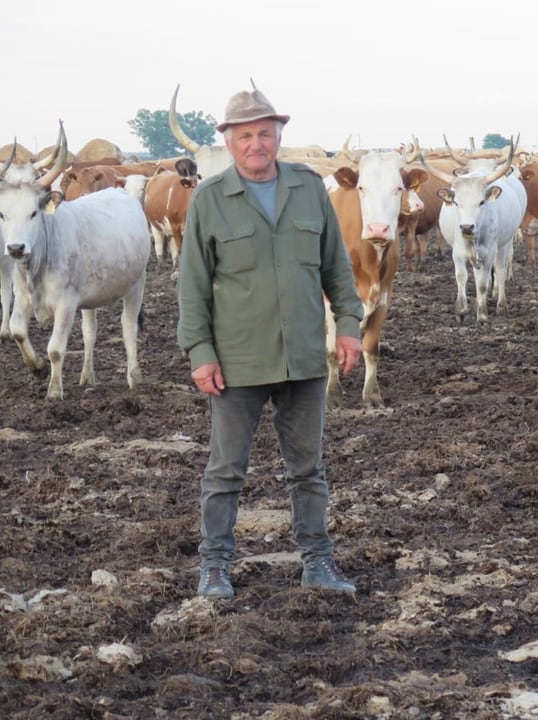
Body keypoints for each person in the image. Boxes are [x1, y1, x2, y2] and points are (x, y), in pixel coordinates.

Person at [177, 83, 363, 599]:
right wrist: (200, 353)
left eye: (264, 133)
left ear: (278, 137)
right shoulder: (210, 201)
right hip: (236, 360)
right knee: (225, 471)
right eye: (245, 135)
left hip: (304, 354)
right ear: (229, 142)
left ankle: (318, 564)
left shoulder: (309, 191)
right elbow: (191, 285)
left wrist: (348, 323)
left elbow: (337, 269)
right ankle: (214, 568)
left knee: (308, 469)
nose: (255, 143)